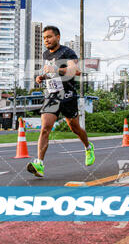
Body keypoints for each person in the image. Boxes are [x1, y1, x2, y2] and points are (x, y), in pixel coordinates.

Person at [26, 25, 94, 178]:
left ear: (58, 37)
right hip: (52, 95)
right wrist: (41, 77)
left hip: (68, 95)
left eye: (49, 37)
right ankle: (40, 164)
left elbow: (75, 71)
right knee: (45, 128)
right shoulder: (45, 54)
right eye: (44, 38)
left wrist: (56, 70)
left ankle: (88, 147)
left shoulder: (67, 52)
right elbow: (49, 72)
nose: (46, 40)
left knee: (75, 127)